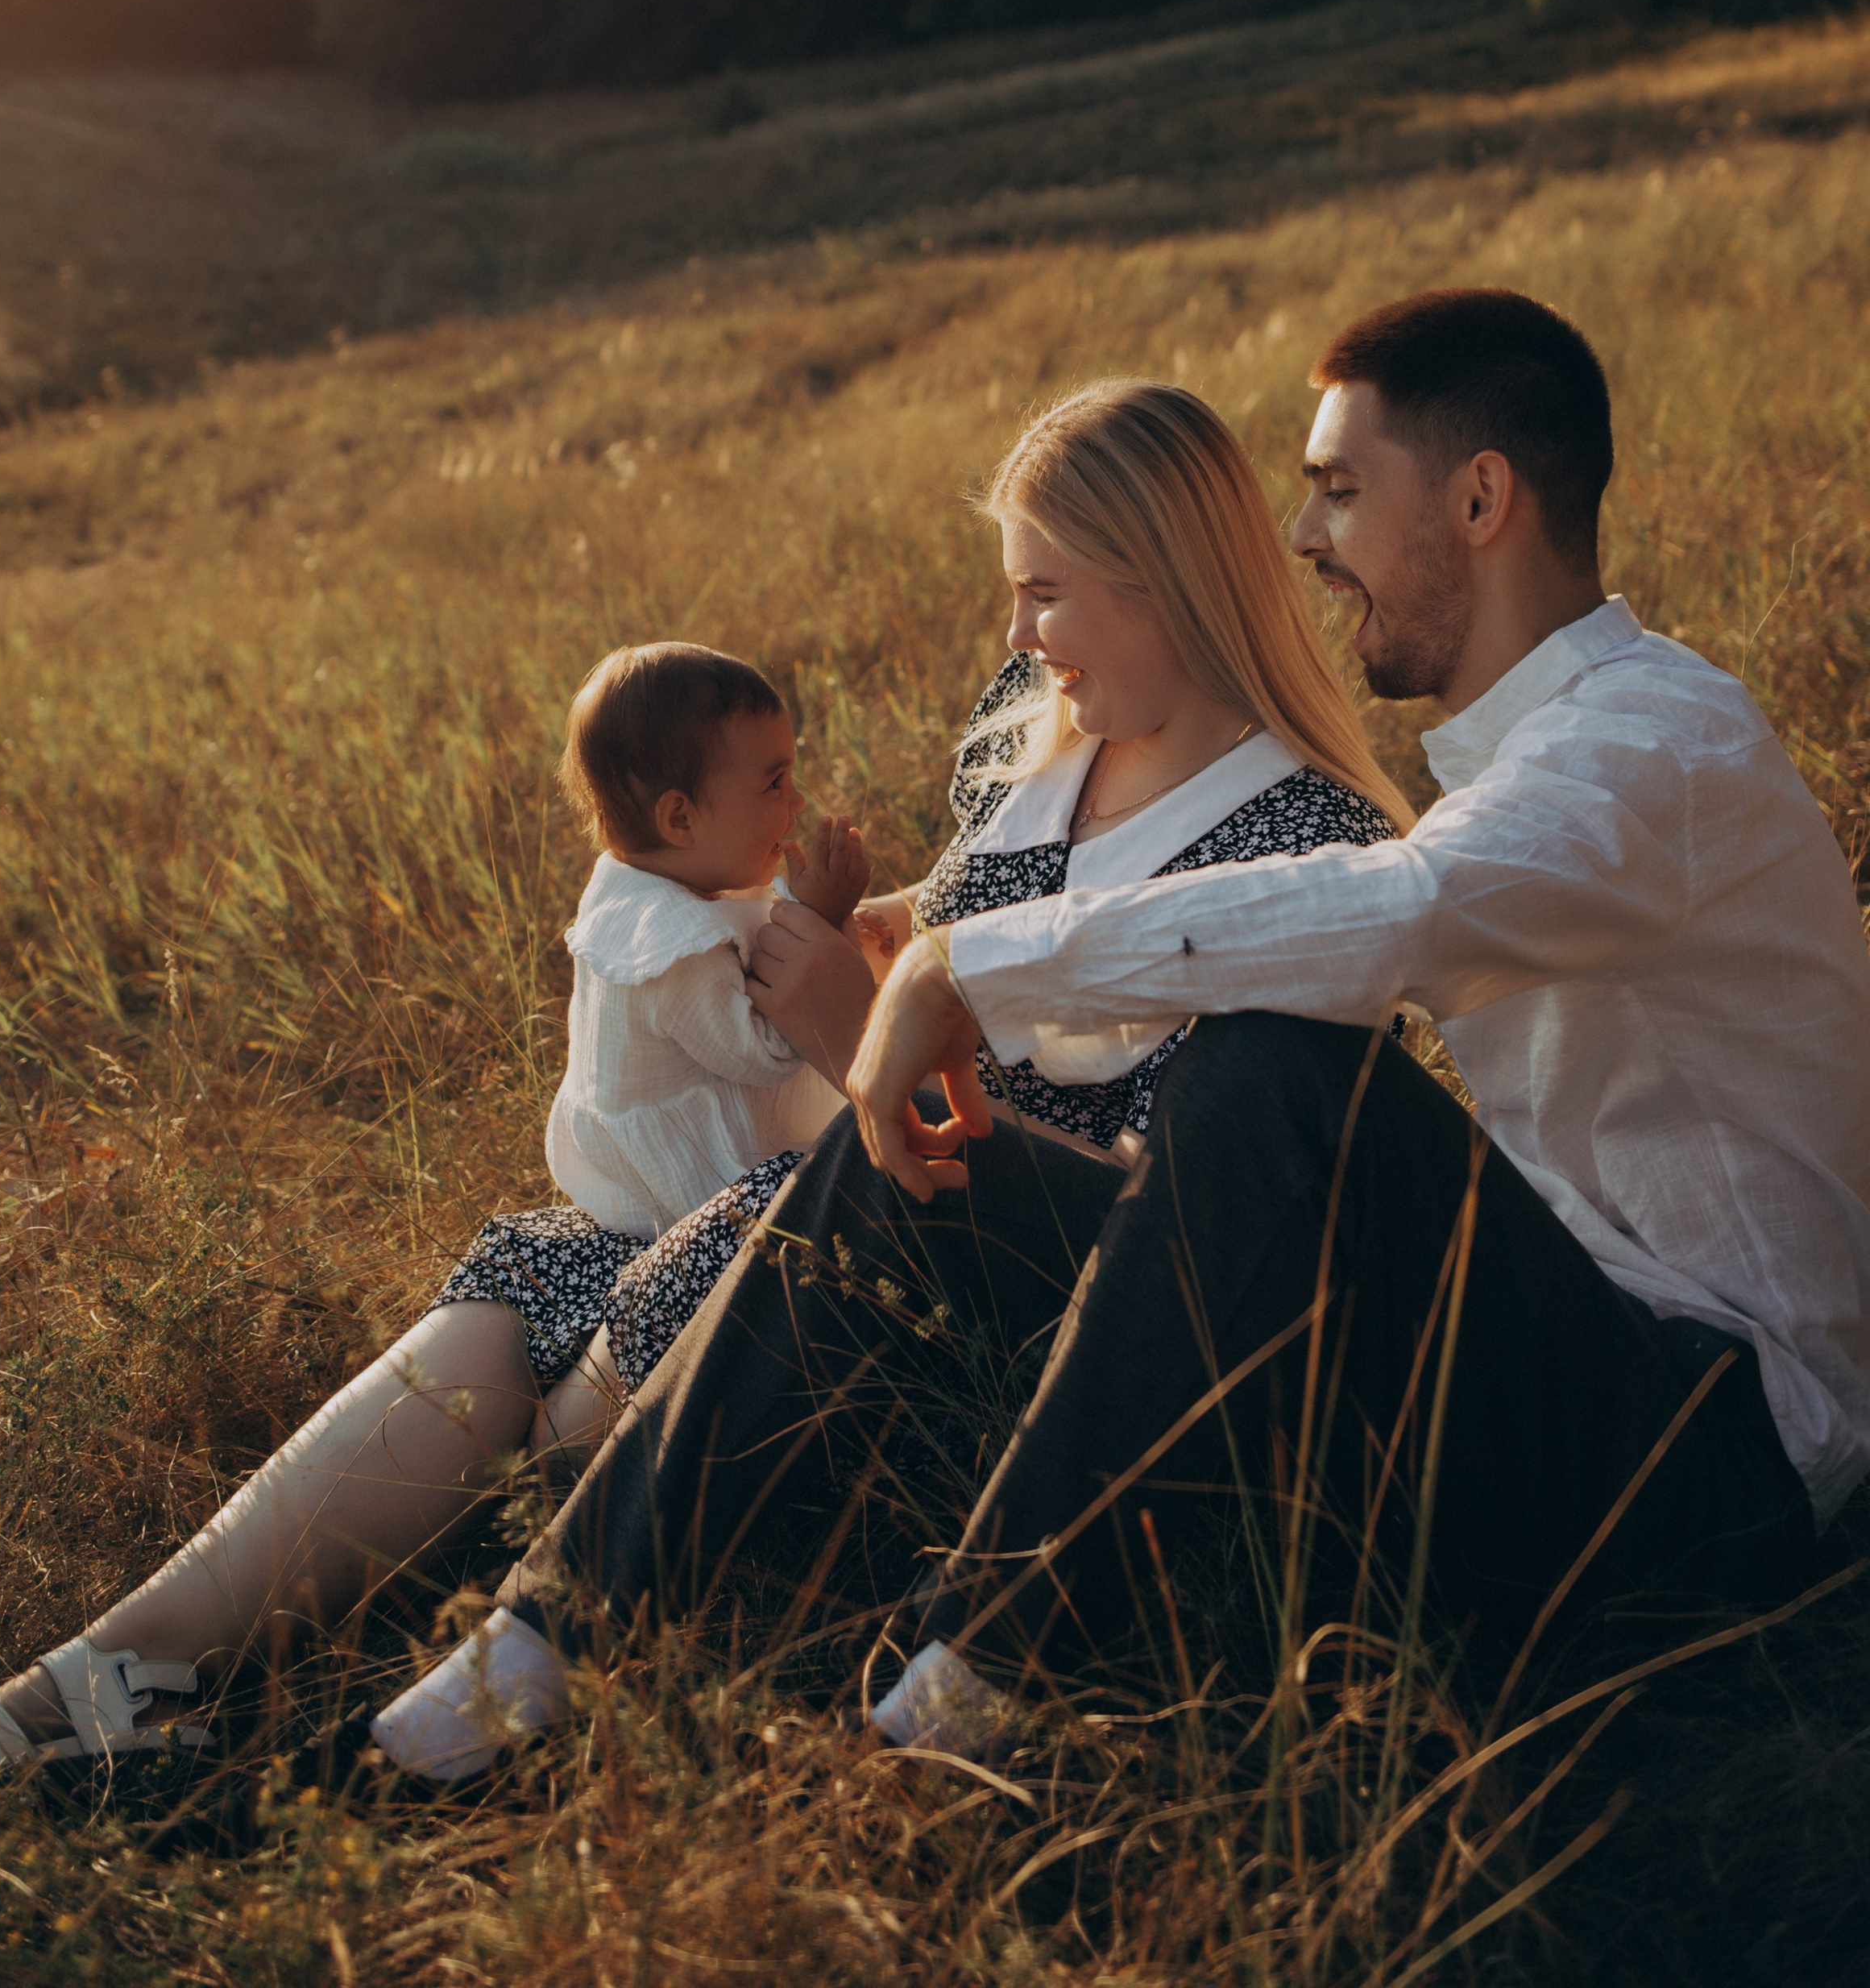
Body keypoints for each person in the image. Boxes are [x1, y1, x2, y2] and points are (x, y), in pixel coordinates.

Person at [436, 290, 1870, 1768]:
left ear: (1483, 497)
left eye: (1339, 491)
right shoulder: (1525, 762)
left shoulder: (1654, 746)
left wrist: (961, 970)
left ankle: (978, 1674)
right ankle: (541, 1640)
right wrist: (934, 939)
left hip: (1711, 1464)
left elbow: (1404, 906)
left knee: (1283, 1053)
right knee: (921, 1165)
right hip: (1511, 1400)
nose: (1305, 539)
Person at [368, 376, 1412, 1778]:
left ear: (1163, 579)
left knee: (637, 1313)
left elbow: (1211, 1222)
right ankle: (113, 1677)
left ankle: (478, 1637)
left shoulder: (1308, 840)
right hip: (876, 1208)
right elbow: (998, 919)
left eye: (1044, 593)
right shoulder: (1041, 736)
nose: (1017, 634)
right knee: (528, 1272)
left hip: (1036, 1325)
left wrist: (862, 1032)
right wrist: (899, 927)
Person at [0, 641, 865, 1817]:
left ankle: (368, 1702)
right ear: (679, 812)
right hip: (660, 1224)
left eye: (1044, 594)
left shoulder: (692, 894)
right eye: (773, 776)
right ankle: (77, 1695)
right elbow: (772, 1013)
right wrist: (837, 936)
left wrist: (847, 959)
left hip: (798, 1223)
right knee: (506, 1317)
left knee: (563, 1412)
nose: (1023, 633)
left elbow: (817, 1035)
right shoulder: (678, 916)